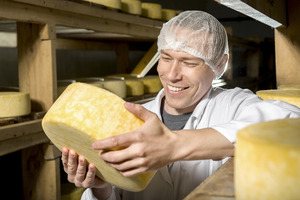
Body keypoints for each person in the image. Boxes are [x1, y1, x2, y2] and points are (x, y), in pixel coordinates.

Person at [61, 11, 300, 200]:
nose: (172, 74)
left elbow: (292, 122)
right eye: (166, 58)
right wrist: (102, 187)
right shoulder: (131, 116)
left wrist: (175, 145)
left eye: (189, 62)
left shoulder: (232, 104)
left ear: (219, 64)